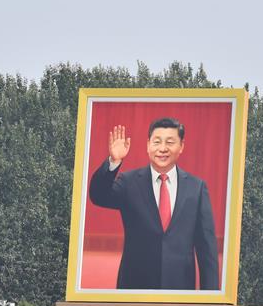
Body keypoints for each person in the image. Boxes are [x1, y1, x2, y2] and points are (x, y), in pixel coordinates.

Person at [88, 119, 219, 290]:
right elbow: (98, 196)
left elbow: (206, 247)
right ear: (148, 145)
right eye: (157, 142)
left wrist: (210, 299)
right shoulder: (129, 182)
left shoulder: (196, 187)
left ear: (181, 146)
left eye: (170, 142)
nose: (162, 148)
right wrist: (113, 161)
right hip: (135, 288)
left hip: (180, 291)